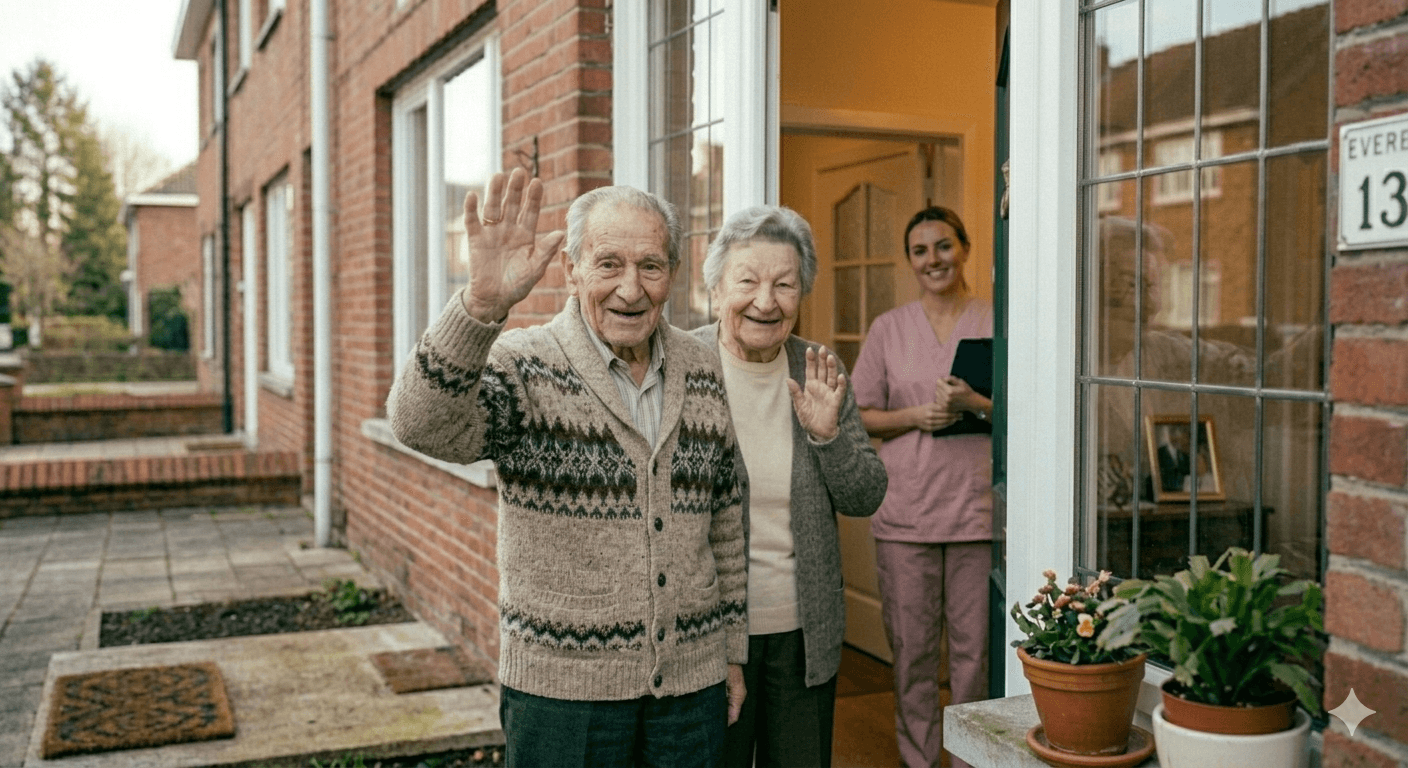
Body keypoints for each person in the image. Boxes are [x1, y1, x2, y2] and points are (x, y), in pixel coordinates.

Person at [388, 168, 748, 767]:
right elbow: (419, 423)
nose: (631, 289)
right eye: (609, 264)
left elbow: (725, 522)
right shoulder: (524, 364)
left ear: (672, 275)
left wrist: (731, 651)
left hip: (691, 689)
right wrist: (480, 306)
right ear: (571, 270)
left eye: (650, 266)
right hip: (563, 697)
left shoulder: (702, 364)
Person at [691, 206, 888, 767]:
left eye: (784, 284)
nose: (765, 300)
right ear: (717, 288)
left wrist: (827, 438)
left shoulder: (818, 367)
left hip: (803, 634)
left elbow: (865, 496)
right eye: (747, 281)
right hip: (705, 637)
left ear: (802, 293)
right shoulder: (682, 365)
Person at [850, 206, 993, 768]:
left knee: (973, 657)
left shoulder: (995, 319)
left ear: (965, 247)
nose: (932, 259)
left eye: (943, 246)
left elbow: (1027, 410)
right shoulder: (888, 328)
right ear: (909, 260)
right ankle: (917, 759)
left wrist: (974, 406)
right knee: (911, 655)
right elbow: (858, 414)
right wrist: (917, 416)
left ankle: (968, 760)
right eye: (919, 250)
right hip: (906, 515)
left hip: (976, 513)